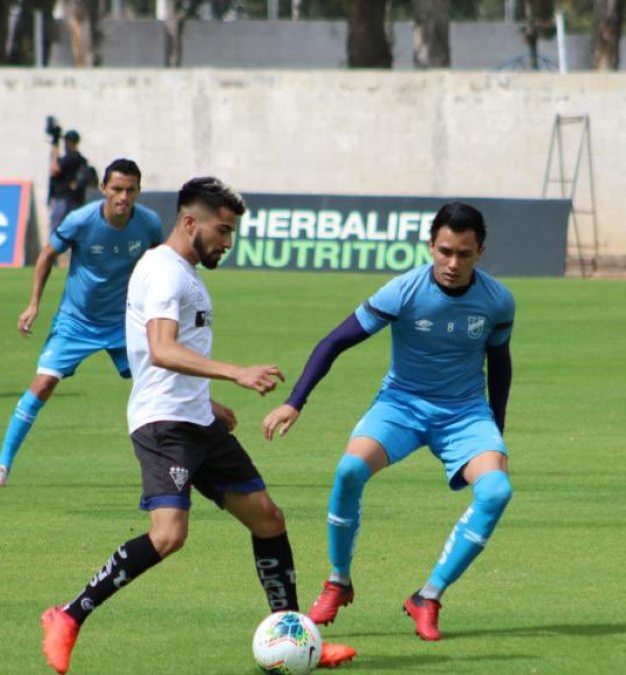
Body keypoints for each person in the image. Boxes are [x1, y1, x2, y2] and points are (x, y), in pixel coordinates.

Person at [39, 177, 355, 674]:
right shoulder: (165, 273)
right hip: (165, 426)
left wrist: (210, 402)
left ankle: (295, 638)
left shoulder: (183, 274)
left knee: (268, 519)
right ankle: (67, 617)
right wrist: (235, 371)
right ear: (190, 222)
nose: (227, 243)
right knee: (167, 535)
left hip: (196, 420)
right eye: (223, 231)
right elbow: (161, 349)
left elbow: (164, 354)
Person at [261, 202, 515, 642]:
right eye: (445, 251)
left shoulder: (497, 301)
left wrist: (496, 429)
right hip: (401, 405)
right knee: (349, 470)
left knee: (496, 490)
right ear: (430, 245)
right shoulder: (403, 291)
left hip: (464, 413)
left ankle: (428, 596)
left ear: (481, 252)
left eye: (465, 254)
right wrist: (294, 401)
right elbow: (335, 341)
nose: (453, 264)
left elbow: (500, 363)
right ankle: (338, 581)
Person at [0, 159, 163, 487]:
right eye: (117, 189)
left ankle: (176, 464)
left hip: (124, 323)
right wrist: (33, 304)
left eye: (131, 190)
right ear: (104, 189)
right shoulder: (81, 220)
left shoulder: (148, 224)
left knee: (157, 384)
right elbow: (47, 255)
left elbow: (161, 265)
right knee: (42, 385)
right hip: (77, 321)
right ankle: (1, 465)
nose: (123, 196)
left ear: (138, 191)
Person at [49, 126, 91, 231]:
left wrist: (55, 146)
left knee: (56, 230)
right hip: (74, 200)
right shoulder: (81, 159)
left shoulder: (71, 157)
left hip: (63, 199)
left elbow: (54, 170)